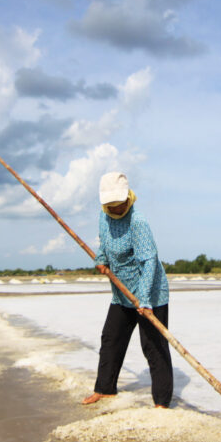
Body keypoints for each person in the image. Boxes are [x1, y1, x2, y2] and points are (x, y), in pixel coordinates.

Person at [82, 171, 173, 408]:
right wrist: (101, 259)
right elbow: (105, 242)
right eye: (111, 205)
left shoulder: (138, 222)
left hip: (150, 292)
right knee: (111, 338)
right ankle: (105, 389)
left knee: (153, 346)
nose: (117, 209)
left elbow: (148, 262)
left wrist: (144, 299)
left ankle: (162, 403)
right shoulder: (104, 218)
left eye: (120, 204)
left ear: (128, 198)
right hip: (122, 293)